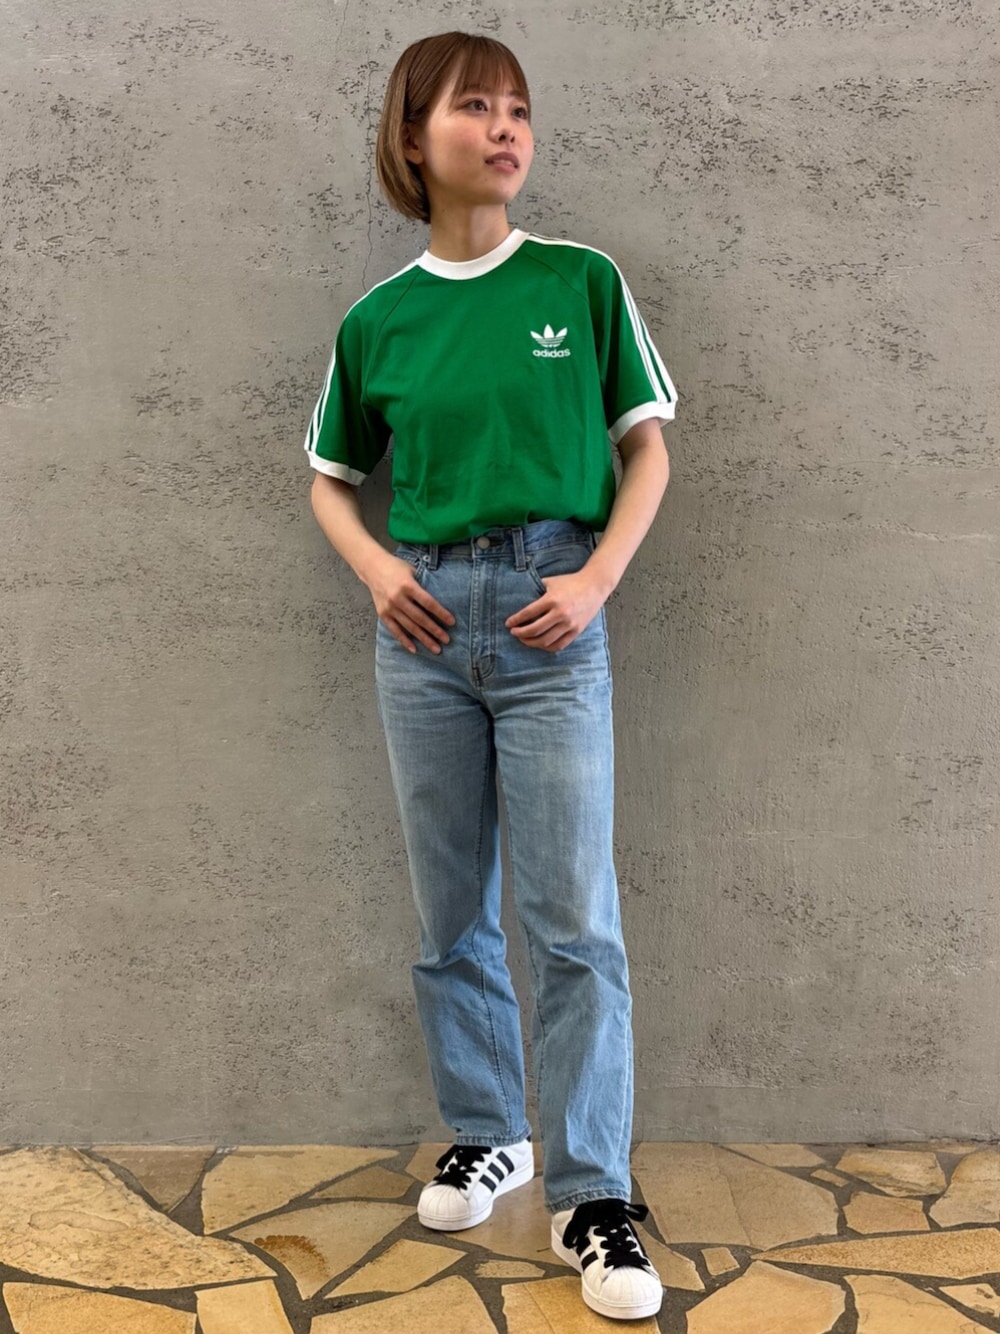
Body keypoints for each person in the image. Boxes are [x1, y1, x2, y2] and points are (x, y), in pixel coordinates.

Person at [305, 31, 677, 1322]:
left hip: (552, 618)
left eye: (518, 107)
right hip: (420, 632)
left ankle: (593, 1191)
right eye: (474, 107)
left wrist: (595, 582)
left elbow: (648, 451)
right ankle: (488, 1130)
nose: (506, 127)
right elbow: (330, 479)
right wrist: (375, 569)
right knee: (448, 911)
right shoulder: (379, 320)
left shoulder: (580, 281)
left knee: (573, 919)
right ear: (414, 139)